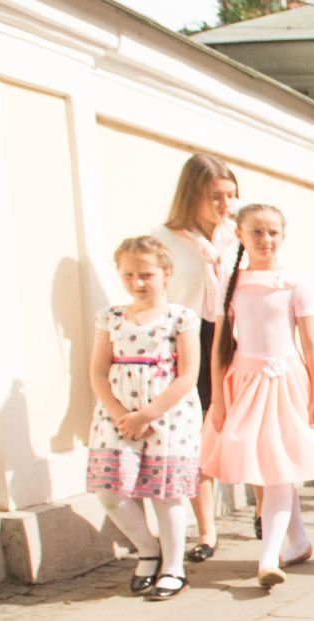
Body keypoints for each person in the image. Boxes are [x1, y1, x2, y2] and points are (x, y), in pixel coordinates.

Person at [201, 204, 314, 590]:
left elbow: (309, 343)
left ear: (283, 236)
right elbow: (220, 343)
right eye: (256, 232)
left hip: (286, 382)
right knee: (273, 468)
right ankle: (298, 540)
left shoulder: (294, 283)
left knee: (276, 471)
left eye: (272, 233)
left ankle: (269, 556)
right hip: (245, 382)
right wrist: (219, 399)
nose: (265, 240)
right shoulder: (230, 283)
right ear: (240, 235)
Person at [89, 236, 202, 601]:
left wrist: (149, 414)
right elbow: (98, 372)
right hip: (117, 417)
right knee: (110, 491)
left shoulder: (180, 318)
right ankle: (147, 549)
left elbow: (187, 375)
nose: (138, 282)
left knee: (165, 493)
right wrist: (123, 415)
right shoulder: (110, 318)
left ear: (165, 273)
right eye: (129, 275)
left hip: (167, 416)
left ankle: (173, 566)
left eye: (146, 274)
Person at [152, 152, 237, 565]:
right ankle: (206, 528)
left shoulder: (236, 235)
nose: (224, 206)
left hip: (235, 338)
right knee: (194, 433)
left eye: (229, 196)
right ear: (193, 195)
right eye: (215, 197)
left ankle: (264, 511)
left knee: (243, 423)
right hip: (189, 341)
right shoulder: (164, 241)